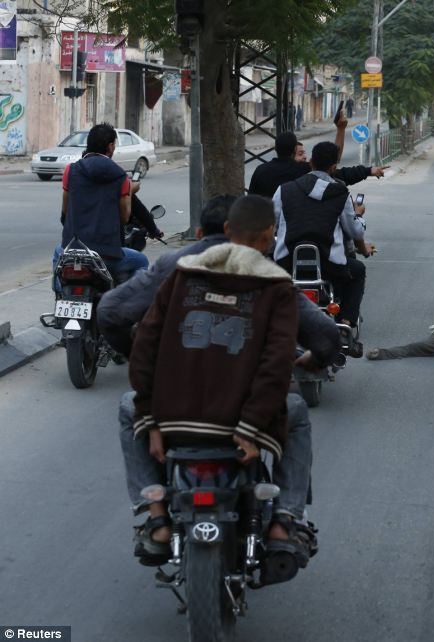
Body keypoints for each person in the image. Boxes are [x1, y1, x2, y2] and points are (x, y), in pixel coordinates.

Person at [126, 196, 316, 581]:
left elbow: (144, 346)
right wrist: (250, 426)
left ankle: (157, 518)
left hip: (173, 420)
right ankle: (285, 521)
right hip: (240, 427)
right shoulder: (277, 287)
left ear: (225, 231)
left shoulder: (182, 275)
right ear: (270, 236)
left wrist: (151, 419)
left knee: (126, 408)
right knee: (297, 414)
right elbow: (276, 365)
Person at [98, 194, 342, 365]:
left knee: (131, 408)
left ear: (200, 233)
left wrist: (140, 354)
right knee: (294, 408)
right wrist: (312, 363)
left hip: (176, 401)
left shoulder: (172, 266)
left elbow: (110, 312)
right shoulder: (270, 277)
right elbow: (326, 338)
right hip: (247, 409)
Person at [274, 141, 374, 330]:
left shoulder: (284, 190)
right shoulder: (341, 193)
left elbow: (272, 223)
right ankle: (345, 323)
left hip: (287, 263)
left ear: (311, 162)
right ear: (333, 168)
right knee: (358, 271)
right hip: (329, 266)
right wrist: (358, 215)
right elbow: (355, 231)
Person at [57, 123, 148, 278]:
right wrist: (128, 192)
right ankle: (129, 294)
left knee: (57, 256)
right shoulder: (121, 176)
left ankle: (59, 289)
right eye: (114, 145)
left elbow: (65, 210)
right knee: (141, 261)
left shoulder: (70, 170)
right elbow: (124, 217)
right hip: (108, 254)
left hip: (72, 249)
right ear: (110, 146)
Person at [248, 131, 305, 199]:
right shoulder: (303, 170)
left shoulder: (260, 170)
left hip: (265, 205)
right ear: (295, 149)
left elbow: (250, 199)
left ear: (275, 148)